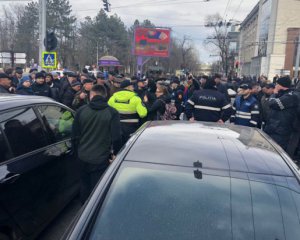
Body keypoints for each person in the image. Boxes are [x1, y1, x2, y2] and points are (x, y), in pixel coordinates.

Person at [72, 84, 122, 204]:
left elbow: (74, 136)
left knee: (84, 186)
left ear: (91, 95)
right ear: (105, 96)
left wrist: (76, 154)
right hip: (101, 159)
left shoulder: (81, 111)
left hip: (83, 156)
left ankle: (83, 213)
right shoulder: (112, 112)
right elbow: (116, 137)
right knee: (98, 190)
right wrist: (115, 154)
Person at [108, 79, 147, 144]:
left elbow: (108, 112)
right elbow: (143, 114)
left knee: (117, 147)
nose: (133, 88)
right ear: (128, 87)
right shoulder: (136, 99)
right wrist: (145, 104)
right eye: (132, 86)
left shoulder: (112, 98)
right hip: (131, 128)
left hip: (116, 127)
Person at [264, 77, 298, 150]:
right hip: (272, 129)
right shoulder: (282, 94)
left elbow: (273, 103)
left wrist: (274, 94)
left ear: (280, 85)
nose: (275, 86)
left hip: (280, 132)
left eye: (277, 84)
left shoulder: (291, 96)